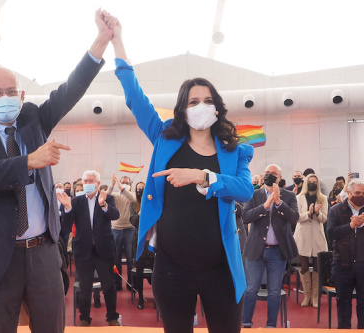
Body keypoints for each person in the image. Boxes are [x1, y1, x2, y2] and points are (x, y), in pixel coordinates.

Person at [0, 9, 117, 333]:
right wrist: (28, 161)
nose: (4, 98)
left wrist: (100, 42)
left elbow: (71, 89)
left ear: (21, 95)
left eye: (11, 91)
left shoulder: (32, 119)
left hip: (43, 253)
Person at [110, 20, 254, 333]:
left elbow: (245, 190)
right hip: (171, 268)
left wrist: (203, 176)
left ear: (216, 107)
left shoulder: (235, 148)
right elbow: (135, 97)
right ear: (182, 109)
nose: (201, 106)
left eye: (207, 100)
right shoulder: (164, 137)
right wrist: (118, 43)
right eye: (193, 101)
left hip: (221, 269)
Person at [58, 170, 121, 326]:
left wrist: (103, 205)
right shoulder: (76, 202)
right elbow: (65, 228)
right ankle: (84, 318)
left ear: (98, 183)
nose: (87, 183)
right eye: (85, 181)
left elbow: (115, 216)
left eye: (90, 180)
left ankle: (112, 317)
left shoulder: (108, 198)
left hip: (104, 250)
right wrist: (67, 209)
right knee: (84, 287)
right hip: (83, 250)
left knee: (108, 286)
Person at [241, 164, 299, 328]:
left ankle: (271, 326)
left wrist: (279, 202)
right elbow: (245, 217)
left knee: (274, 291)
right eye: (267, 173)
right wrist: (265, 206)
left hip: (277, 251)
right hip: (256, 250)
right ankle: (245, 323)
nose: (269, 176)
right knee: (251, 289)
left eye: (273, 173)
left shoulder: (289, 196)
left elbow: (294, 217)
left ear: (279, 178)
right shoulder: (254, 194)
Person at [327, 179, 364, 329]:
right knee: (343, 303)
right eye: (357, 193)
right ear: (348, 193)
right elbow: (330, 234)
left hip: (363, 264)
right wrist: (351, 226)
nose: (360, 196)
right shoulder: (335, 210)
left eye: (363, 193)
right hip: (342, 263)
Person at [293, 174, 328, 307]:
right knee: (304, 266)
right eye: (310, 182)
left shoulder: (323, 198)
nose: (312, 184)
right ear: (306, 183)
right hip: (303, 235)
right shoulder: (298, 197)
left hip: (317, 236)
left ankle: (315, 295)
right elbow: (296, 217)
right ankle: (306, 295)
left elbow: (324, 219)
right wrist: (309, 212)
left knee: (317, 265)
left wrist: (317, 213)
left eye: (315, 182)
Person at [107, 173, 135, 291]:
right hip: (116, 229)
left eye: (126, 183)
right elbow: (106, 197)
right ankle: (117, 283)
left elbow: (133, 200)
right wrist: (112, 185)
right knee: (116, 258)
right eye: (122, 182)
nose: (123, 184)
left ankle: (131, 283)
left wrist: (122, 188)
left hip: (130, 229)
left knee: (130, 258)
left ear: (131, 185)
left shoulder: (132, 194)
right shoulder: (116, 195)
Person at [130, 181, 155, 309]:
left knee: (155, 272)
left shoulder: (153, 203)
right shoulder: (134, 205)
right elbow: (133, 221)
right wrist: (140, 212)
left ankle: (156, 299)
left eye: (143, 188)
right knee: (139, 272)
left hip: (152, 243)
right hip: (140, 243)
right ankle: (140, 297)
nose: (141, 191)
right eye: (139, 189)